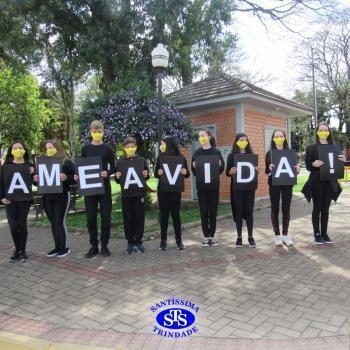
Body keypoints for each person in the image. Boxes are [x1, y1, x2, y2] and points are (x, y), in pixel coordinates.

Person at [77, 120, 116, 258]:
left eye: (99, 131)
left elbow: (114, 167)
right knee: (90, 218)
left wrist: (108, 173)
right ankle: (93, 246)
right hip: (89, 189)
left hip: (104, 188)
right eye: (94, 131)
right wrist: (77, 176)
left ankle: (104, 245)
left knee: (105, 217)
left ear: (103, 132)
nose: (97, 133)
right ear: (90, 132)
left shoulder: (108, 149)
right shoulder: (85, 148)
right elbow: (81, 166)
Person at [302, 122, 345, 244]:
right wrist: (313, 164)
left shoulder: (335, 147)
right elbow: (309, 167)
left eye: (326, 130)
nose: (323, 132)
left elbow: (339, 165)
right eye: (321, 130)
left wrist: (343, 161)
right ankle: (317, 233)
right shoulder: (311, 148)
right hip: (317, 181)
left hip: (330, 182)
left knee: (326, 208)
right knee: (317, 207)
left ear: (329, 132)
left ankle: (324, 233)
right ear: (317, 132)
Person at [34, 140, 75, 257]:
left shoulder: (66, 163)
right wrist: (35, 179)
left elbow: (75, 179)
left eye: (51, 147)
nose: (48, 150)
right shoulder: (43, 163)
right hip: (47, 197)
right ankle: (57, 247)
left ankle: (64, 247)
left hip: (62, 196)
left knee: (59, 221)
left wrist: (66, 177)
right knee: (53, 222)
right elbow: (39, 182)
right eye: (47, 148)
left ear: (58, 148)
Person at [0, 141, 35, 261]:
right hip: (10, 201)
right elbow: (1, 184)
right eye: (15, 148)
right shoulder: (5, 167)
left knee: (22, 226)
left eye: (20, 147)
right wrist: (1, 198)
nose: (18, 149)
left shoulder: (29, 166)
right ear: (11, 151)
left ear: (24, 150)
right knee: (13, 227)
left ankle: (22, 251)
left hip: (24, 200)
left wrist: (34, 175)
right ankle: (17, 248)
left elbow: (36, 182)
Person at [154, 136, 190, 251]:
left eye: (163, 143)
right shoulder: (160, 157)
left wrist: (185, 172)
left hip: (175, 191)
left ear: (169, 144)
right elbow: (156, 173)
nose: (161, 146)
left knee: (176, 216)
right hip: (163, 191)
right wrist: (158, 172)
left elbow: (187, 173)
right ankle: (163, 241)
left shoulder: (181, 158)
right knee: (164, 216)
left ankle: (178, 240)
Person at [265, 129, 300, 247]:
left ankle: (285, 235)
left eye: (281, 136)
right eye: (277, 136)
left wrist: (297, 170)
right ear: (273, 139)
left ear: (285, 138)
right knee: (275, 209)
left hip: (287, 184)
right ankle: (277, 236)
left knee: (286, 209)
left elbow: (293, 169)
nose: (279, 138)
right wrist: (269, 168)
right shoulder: (269, 153)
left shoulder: (290, 153)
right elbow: (266, 172)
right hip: (274, 185)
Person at [115, 136, 149, 254]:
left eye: (132, 146)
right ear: (124, 148)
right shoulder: (120, 162)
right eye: (128, 147)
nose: (130, 148)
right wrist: (117, 176)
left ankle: (139, 242)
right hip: (127, 195)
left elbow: (146, 175)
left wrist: (146, 174)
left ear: (136, 147)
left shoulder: (141, 160)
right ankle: (130, 242)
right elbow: (118, 180)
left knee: (139, 218)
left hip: (139, 194)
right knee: (128, 218)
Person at [191, 129, 224, 246]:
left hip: (214, 187)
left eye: (203, 135)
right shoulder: (197, 153)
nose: (201, 138)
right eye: (200, 136)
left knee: (213, 212)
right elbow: (194, 172)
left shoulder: (216, 152)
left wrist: (219, 166)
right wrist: (194, 167)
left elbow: (221, 170)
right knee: (204, 212)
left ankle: (213, 236)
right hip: (202, 188)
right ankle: (206, 236)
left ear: (209, 137)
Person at [226, 133, 258, 248]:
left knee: (249, 211)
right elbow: (227, 172)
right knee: (238, 212)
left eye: (245, 140)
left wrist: (256, 170)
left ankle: (250, 237)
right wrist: (231, 171)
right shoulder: (231, 156)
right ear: (236, 142)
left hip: (249, 188)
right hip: (237, 188)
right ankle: (239, 237)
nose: (243, 141)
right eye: (241, 140)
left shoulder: (252, 155)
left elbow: (255, 173)